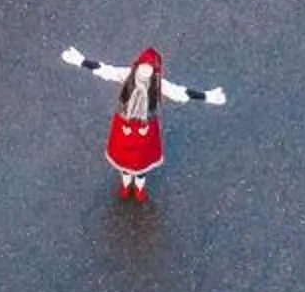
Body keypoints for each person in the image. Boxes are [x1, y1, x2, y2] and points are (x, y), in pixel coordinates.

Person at [61, 46, 227, 200]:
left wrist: (206, 96)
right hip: (124, 125)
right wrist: (81, 61)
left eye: (149, 69)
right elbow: (105, 70)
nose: (145, 71)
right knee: (124, 160)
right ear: (138, 65)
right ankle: (126, 185)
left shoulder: (158, 84)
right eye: (143, 67)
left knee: (142, 162)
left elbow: (179, 92)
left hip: (145, 129)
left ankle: (139, 187)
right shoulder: (126, 75)